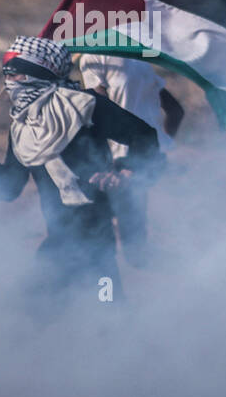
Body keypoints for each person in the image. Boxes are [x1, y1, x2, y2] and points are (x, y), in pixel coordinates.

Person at [0, 37, 164, 315]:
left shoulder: (85, 105)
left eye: (15, 72)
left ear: (37, 71)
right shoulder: (22, 129)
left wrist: (126, 172)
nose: (9, 81)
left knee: (103, 315)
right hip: (60, 241)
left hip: (96, 238)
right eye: (5, 73)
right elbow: (9, 189)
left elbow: (144, 136)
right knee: (42, 315)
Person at [74, 53, 183, 267]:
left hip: (120, 157)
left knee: (97, 236)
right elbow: (176, 111)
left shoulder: (93, 57)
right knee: (132, 234)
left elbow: (99, 108)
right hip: (148, 156)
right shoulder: (137, 56)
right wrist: (162, 143)